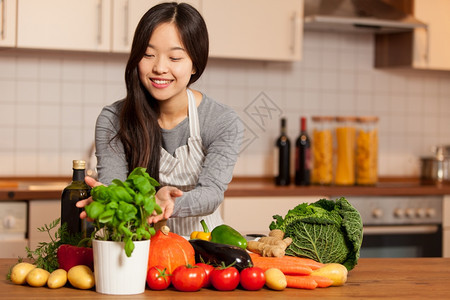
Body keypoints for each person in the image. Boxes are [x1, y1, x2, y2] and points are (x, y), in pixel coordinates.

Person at [76, 2, 243, 236]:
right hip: (136, 248)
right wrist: (107, 197)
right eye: (148, 54)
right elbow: (116, 185)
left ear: (195, 64)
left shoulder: (221, 120)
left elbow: (211, 193)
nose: (160, 68)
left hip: (203, 249)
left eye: (174, 58)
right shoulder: (114, 119)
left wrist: (167, 203)